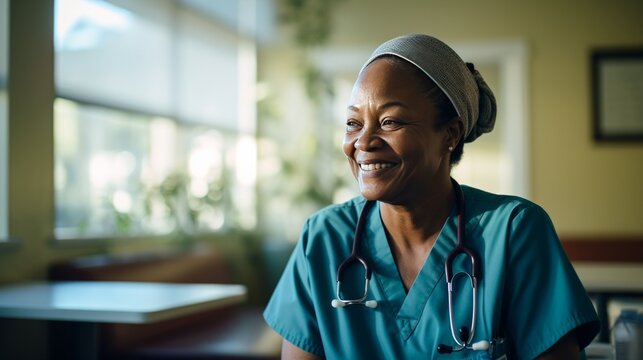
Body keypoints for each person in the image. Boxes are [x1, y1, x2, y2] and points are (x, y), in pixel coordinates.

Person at [263, 34, 600, 359]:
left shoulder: (515, 232)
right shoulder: (322, 239)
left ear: (450, 134)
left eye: (390, 121)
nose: (363, 142)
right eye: (353, 123)